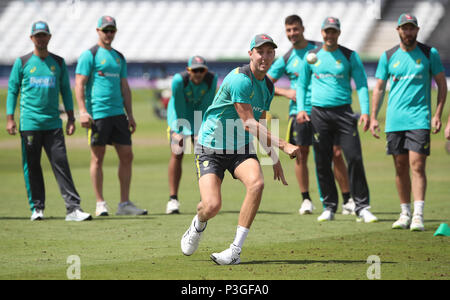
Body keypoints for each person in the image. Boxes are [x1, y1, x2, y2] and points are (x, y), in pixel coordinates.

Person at [180, 34, 301, 265]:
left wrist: (273, 156)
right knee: (212, 206)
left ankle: (235, 250)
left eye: (270, 52)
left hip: (240, 147)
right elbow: (248, 122)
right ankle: (198, 223)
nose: (265, 56)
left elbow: (261, 121)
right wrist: (283, 145)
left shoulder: (267, 85)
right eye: (260, 51)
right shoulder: (240, 79)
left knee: (257, 183)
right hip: (211, 147)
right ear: (251, 54)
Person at [267, 14, 355, 216]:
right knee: (301, 155)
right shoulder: (286, 58)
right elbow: (267, 82)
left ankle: (348, 199)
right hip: (299, 114)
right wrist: (286, 92)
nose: (292, 33)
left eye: (295, 29)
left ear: (303, 28)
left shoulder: (319, 50)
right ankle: (306, 199)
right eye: (288, 30)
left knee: (335, 154)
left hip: (323, 111)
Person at [5, 21, 92, 222]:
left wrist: (71, 118)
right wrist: (10, 118)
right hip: (30, 125)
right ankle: (37, 208)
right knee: (32, 166)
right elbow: (12, 91)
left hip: (53, 124)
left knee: (61, 164)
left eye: (44, 35)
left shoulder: (58, 63)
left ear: (49, 37)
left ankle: (73, 209)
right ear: (31, 38)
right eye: (37, 36)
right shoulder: (23, 62)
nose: (41, 38)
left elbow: (65, 92)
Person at [370, 13, 447, 231]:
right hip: (394, 121)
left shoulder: (429, 53)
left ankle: (418, 216)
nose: (408, 32)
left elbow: (442, 84)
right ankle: (405, 212)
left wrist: (437, 114)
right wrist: (374, 117)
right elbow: (378, 88)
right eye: (404, 28)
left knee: (418, 165)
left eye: (412, 28)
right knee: (400, 167)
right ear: (398, 31)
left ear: (417, 30)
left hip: (419, 119)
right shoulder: (388, 56)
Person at [296, 17, 378, 223]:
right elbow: (302, 85)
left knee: (355, 158)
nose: (330, 35)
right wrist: (301, 109)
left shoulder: (350, 56)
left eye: (334, 32)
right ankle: (329, 206)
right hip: (319, 113)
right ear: (322, 33)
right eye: (327, 31)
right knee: (322, 161)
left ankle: (362, 207)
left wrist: (366, 112)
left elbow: (361, 85)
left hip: (344, 113)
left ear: (338, 33)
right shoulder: (312, 56)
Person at [75, 16, 147, 216]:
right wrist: (82, 111)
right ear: (97, 30)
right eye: (105, 30)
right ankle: (100, 203)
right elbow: (79, 84)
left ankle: (124, 204)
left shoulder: (118, 57)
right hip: (98, 114)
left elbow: (125, 86)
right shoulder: (90, 55)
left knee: (127, 155)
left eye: (111, 31)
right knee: (97, 157)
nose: (108, 34)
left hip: (118, 114)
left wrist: (130, 114)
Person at [166, 56, 218, 214]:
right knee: (178, 151)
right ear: (188, 70)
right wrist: (178, 131)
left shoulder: (211, 80)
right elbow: (178, 105)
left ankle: (205, 198)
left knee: (204, 155)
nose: (198, 73)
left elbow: (207, 105)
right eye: (195, 70)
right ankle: (173, 199)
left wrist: (200, 131)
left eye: (201, 70)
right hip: (178, 115)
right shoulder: (179, 81)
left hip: (199, 114)